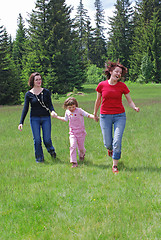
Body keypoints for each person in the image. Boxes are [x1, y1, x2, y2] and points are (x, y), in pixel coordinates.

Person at [94, 60, 140, 173]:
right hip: (105, 116)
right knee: (108, 142)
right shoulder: (102, 85)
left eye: (120, 73)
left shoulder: (122, 86)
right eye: (116, 71)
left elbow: (129, 100)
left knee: (117, 140)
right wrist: (95, 114)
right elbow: (98, 100)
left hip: (120, 116)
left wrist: (134, 107)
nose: (118, 74)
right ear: (110, 71)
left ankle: (115, 165)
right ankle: (110, 150)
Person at [18, 72, 57, 163]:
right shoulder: (28, 94)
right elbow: (25, 109)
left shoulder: (46, 92)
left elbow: (50, 105)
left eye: (40, 79)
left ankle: (51, 150)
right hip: (34, 119)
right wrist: (21, 122)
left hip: (46, 118)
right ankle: (39, 159)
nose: (39, 81)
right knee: (37, 140)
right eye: (37, 80)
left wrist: (53, 111)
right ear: (33, 81)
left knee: (47, 139)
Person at [52, 97, 97, 168]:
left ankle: (82, 155)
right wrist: (57, 117)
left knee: (81, 148)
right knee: (72, 146)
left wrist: (94, 117)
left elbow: (87, 115)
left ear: (76, 105)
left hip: (81, 133)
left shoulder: (79, 111)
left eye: (73, 107)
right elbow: (65, 119)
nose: (72, 109)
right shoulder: (67, 112)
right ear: (66, 107)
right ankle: (74, 162)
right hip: (72, 133)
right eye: (70, 107)